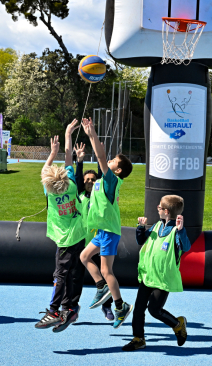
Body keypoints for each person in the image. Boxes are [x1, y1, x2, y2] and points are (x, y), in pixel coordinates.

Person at [80, 117, 134, 329]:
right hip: (103, 231)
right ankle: (101, 287)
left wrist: (92, 133)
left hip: (110, 232)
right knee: (84, 256)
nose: (108, 161)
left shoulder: (112, 180)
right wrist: (94, 139)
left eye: (113, 161)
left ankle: (120, 306)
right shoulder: (103, 181)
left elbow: (101, 156)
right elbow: (101, 154)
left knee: (107, 270)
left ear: (117, 170)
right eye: (110, 160)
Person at [35, 120, 87, 333]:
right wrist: (68, 134)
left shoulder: (50, 192)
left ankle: (55, 311)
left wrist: (51, 152)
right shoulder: (72, 184)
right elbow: (68, 157)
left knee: (60, 274)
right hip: (80, 234)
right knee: (74, 273)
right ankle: (70, 309)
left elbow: (45, 170)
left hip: (64, 239)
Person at [122, 195, 191, 351]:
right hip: (148, 275)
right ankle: (138, 338)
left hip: (163, 278)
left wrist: (181, 231)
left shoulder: (175, 231)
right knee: (139, 309)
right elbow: (141, 241)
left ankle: (178, 324)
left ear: (166, 211)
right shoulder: (156, 226)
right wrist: (140, 228)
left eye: (159, 207)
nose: (157, 209)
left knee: (154, 310)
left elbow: (185, 247)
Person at [75, 145, 114, 321]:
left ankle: (107, 307)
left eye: (93, 179)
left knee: (106, 274)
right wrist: (80, 161)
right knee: (75, 279)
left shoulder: (101, 195)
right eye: (87, 179)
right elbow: (77, 177)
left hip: (99, 241)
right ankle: (72, 308)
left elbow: (103, 175)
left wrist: (100, 157)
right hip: (82, 244)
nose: (90, 181)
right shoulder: (80, 195)